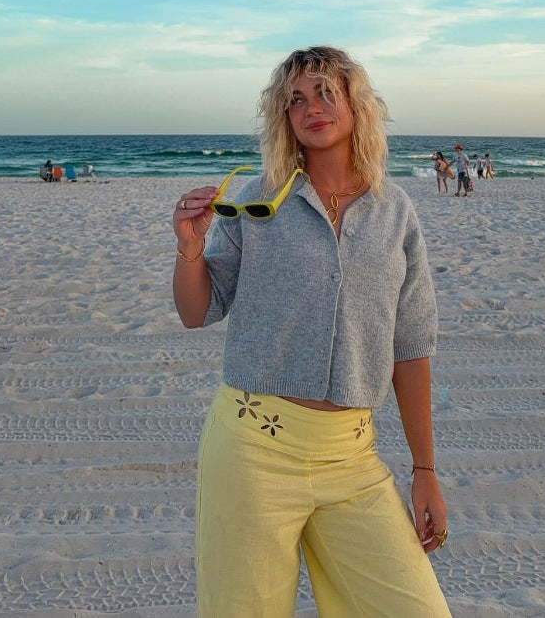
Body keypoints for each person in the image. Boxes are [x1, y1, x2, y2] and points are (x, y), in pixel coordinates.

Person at [172, 46, 451, 618]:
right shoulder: (255, 199)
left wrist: (425, 472)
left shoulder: (395, 211)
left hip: (352, 461)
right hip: (251, 452)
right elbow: (198, 309)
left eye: (327, 92)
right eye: (296, 99)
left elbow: (411, 348)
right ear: (284, 117)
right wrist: (189, 249)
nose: (312, 107)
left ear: (357, 105)